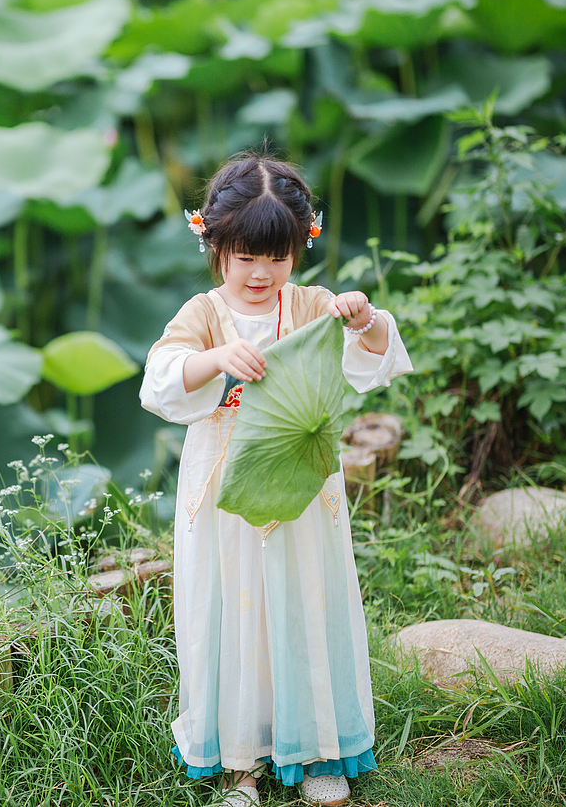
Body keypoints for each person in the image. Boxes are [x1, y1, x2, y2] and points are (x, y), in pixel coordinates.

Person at [139, 152, 412, 807]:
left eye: (278, 257)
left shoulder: (314, 303)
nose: (262, 273)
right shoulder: (203, 312)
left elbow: (372, 360)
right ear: (216, 246)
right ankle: (242, 765)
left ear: (300, 244)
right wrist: (213, 359)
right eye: (245, 258)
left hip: (303, 486)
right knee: (234, 611)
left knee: (306, 601)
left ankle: (320, 749)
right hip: (225, 488)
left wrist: (363, 319)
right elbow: (159, 378)